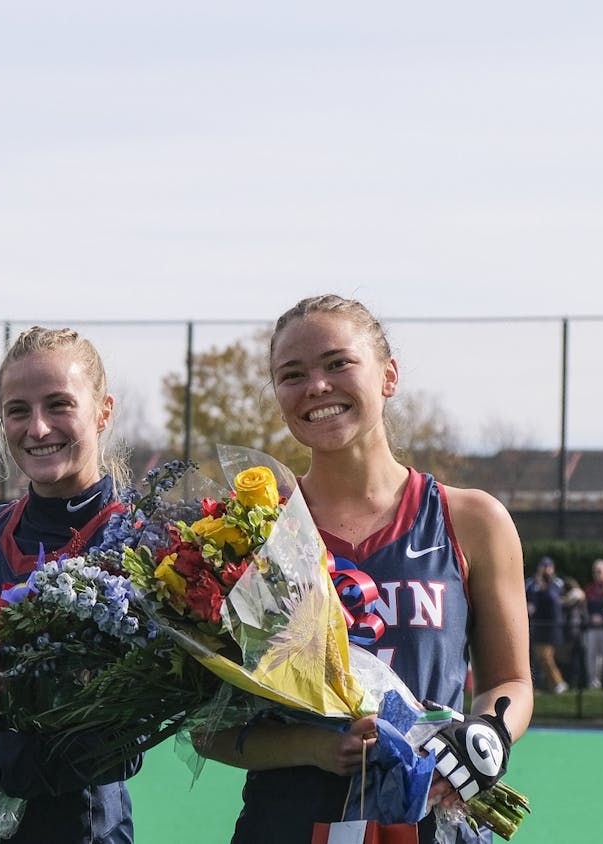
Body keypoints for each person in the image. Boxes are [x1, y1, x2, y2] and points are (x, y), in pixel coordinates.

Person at [199, 294, 533, 844]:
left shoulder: (472, 519)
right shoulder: (245, 535)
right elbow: (209, 730)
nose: (317, 387)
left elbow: (509, 682)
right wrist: (314, 747)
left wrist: (486, 735)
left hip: (433, 821)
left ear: (388, 375)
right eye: (293, 374)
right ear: (279, 396)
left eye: (338, 363)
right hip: (286, 823)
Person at [0, 326, 137, 842]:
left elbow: (125, 738)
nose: (37, 428)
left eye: (59, 405)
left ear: (103, 411)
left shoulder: (136, 549)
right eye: (18, 410)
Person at [525, 556, 567, 692]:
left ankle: (558, 683)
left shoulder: (557, 584)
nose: (545, 570)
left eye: (548, 567)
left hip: (552, 626)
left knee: (546, 656)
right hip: (537, 625)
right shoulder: (531, 583)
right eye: (543, 567)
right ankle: (549, 686)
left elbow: (558, 597)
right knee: (540, 657)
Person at [584, 558, 603, 689]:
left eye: (600, 571)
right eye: (595, 572)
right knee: (592, 656)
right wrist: (591, 617)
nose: (597, 574)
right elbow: (585, 608)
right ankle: (594, 684)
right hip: (592, 628)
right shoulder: (590, 589)